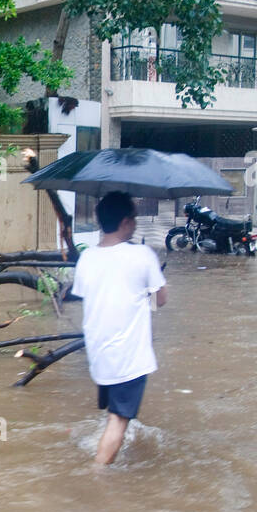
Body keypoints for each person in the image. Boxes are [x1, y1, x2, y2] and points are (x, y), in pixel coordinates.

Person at [69, 191, 167, 464]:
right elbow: (160, 300)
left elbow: (93, 296)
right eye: (133, 218)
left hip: (100, 353)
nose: (135, 224)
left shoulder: (87, 258)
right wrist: (146, 290)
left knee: (114, 412)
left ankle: (105, 450)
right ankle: (98, 474)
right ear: (125, 222)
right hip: (128, 355)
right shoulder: (142, 255)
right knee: (119, 419)